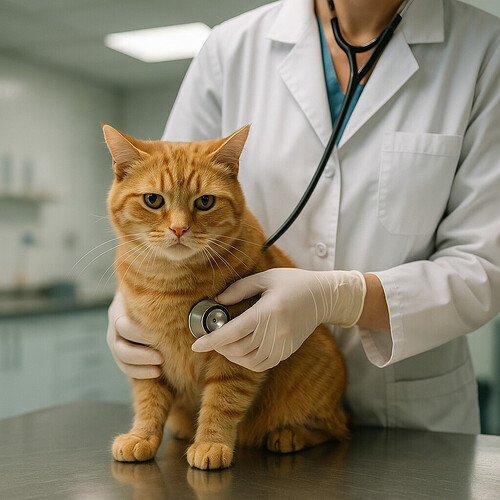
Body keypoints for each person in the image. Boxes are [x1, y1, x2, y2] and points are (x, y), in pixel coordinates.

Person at [107, 0, 500, 434]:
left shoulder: (486, 48)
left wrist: (340, 298)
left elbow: (485, 266)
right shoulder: (231, 47)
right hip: (245, 412)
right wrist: (133, 306)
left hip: (410, 409)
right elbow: (160, 184)